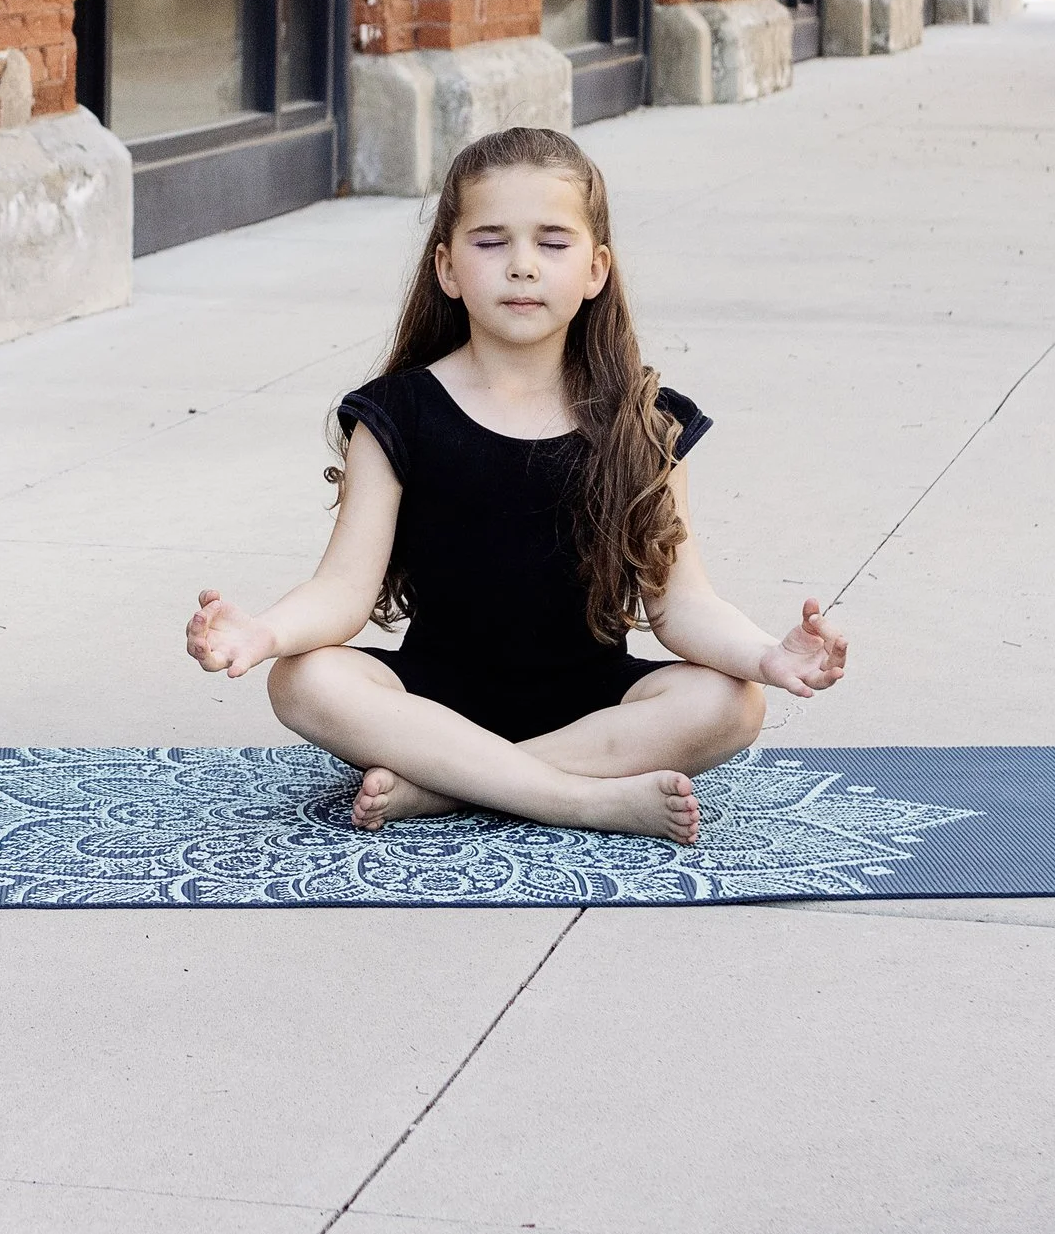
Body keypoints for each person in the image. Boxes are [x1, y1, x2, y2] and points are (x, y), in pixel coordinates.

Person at [183, 126, 848, 845]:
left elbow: (682, 604)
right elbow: (343, 590)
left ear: (596, 269)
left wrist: (766, 656)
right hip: (429, 700)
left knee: (732, 702)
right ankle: (576, 798)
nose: (522, 266)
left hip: (591, 706)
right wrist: (265, 630)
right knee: (300, 679)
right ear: (446, 266)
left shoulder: (643, 422)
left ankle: (446, 786)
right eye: (491, 241)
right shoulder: (397, 412)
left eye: (552, 244)